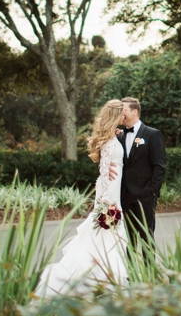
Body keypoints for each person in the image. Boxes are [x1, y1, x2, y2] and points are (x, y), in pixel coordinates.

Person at [33, 99, 128, 298]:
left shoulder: (112, 137)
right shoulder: (110, 143)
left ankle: (102, 280)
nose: (124, 116)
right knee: (105, 240)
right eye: (122, 113)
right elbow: (104, 176)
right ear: (115, 115)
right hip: (110, 199)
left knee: (105, 241)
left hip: (112, 194)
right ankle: (100, 280)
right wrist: (107, 208)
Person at [117, 97, 166, 251]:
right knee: (128, 238)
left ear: (134, 111)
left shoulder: (153, 134)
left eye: (124, 110)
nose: (121, 114)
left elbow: (160, 165)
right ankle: (130, 274)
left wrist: (151, 190)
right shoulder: (119, 135)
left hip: (145, 195)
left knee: (146, 237)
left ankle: (149, 273)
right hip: (125, 196)